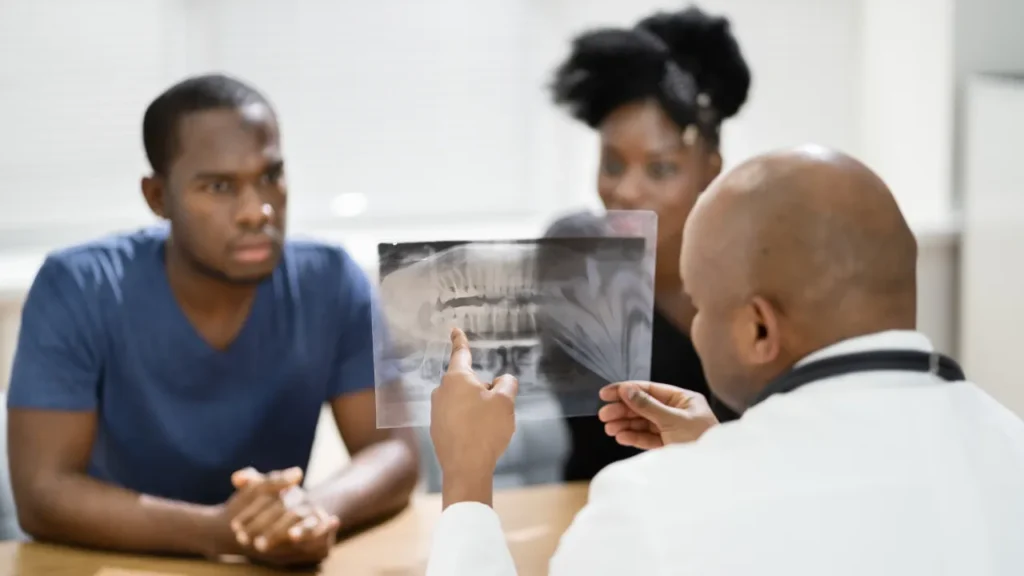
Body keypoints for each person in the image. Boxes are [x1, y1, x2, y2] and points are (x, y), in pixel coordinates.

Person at [425, 145, 1024, 575]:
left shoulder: (651, 514)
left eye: (700, 303)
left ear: (758, 328)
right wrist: (718, 452)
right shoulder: (1011, 449)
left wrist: (468, 482)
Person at [6, 74, 418, 567]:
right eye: (219, 186)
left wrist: (313, 511)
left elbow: (394, 452)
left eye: (270, 176)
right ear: (158, 197)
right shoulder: (79, 286)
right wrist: (218, 532)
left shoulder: (331, 280)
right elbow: (42, 494)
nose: (257, 210)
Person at [543, 5, 752, 481]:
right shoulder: (574, 259)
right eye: (613, 164)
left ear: (711, 168)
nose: (626, 192)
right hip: (592, 510)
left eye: (660, 169)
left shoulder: (754, 282)